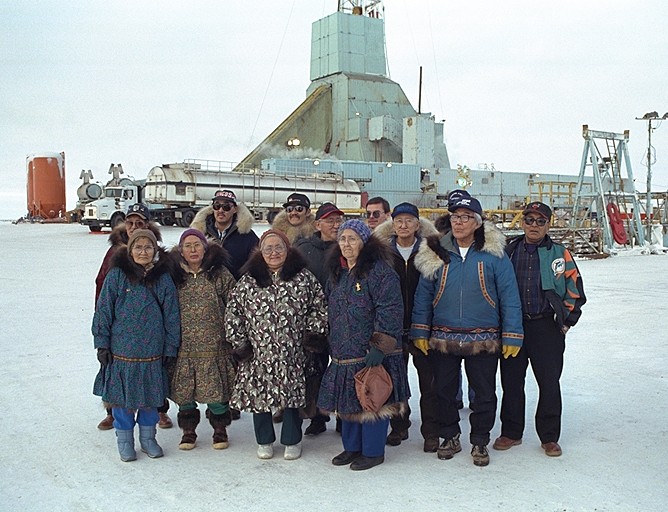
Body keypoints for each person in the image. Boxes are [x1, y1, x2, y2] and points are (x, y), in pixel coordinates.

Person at [411, 195, 523, 467]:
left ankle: (480, 441)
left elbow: (509, 295)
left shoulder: (494, 253)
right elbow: (424, 295)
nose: (458, 222)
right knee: (444, 392)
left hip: (483, 338)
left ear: (477, 222)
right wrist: (419, 331)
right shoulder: (435, 250)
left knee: (484, 393)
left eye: (465, 217)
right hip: (443, 337)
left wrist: (512, 334)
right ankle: (450, 436)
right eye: (454, 217)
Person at [225, 230, 328, 461]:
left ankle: (292, 440)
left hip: (293, 352)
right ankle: (264, 440)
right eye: (268, 248)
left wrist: (313, 335)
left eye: (278, 247)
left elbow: (318, 307)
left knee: (292, 397)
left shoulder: (304, 278)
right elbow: (234, 313)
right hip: (259, 353)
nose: (274, 253)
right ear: (260, 252)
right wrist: (240, 343)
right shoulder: (248, 280)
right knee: (259, 398)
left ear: (288, 249)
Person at [493, 201, 586, 457]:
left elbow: (575, 289)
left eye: (540, 221)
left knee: (549, 383)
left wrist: (566, 321)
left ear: (548, 224)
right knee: (511, 381)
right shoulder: (508, 251)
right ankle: (511, 432)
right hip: (513, 326)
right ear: (522, 222)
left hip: (546, 326)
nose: (534, 225)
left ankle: (549, 436)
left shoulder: (559, 253)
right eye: (529, 220)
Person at [318, 219, 410, 471]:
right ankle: (352, 448)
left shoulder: (380, 271)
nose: (346, 244)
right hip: (343, 351)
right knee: (349, 400)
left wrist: (380, 347)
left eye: (353, 239)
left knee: (372, 400)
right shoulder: (337, 273)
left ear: (364, 241)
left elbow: (390, 309)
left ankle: (372, 451)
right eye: (343, 239)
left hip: (371, 352)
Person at [92, 229, 181, 462]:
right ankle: (124, 441)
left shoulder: (162, 278)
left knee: (150, 401)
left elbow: (172, 315)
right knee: (122, 401)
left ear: (155, 251)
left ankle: (148, 439)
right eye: (138, 247)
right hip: (122, 353)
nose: (143, 252)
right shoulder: (117, 276)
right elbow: (104, 311)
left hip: (152, 353)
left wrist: (170, 348)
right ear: (130, 250)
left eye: (148, 247)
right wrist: (102, 343)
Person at [374, 202, 440, 451]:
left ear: (417, 224)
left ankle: (431, 431)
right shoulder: (382, 251)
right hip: (392, 326)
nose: (403, 225)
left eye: (408, 221)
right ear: (392, 224)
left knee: (429, 381)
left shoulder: (429, 250)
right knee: (394, 379)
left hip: (423, 324)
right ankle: (398, 426)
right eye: (398, 220)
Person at [168, 228, 237, 450]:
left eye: (197, 245)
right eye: (187, 246)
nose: (192, 250)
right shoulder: (173, 275)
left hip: (215, 343)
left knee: (217, 392)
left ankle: (220, 430)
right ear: (181, 250)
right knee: (184, 392)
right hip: (184, 346)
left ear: (205, 248)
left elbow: (235, 304)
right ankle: (188, 432)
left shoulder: (219, 274)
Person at [294, 202, 344, 436]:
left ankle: (345, 414)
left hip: (343, 319)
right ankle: (317, 416)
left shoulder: (349, 245)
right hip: (312, 318)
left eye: (338, 220)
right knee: (315, 368)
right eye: (330, 221)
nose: (336, 225)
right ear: (318, 224)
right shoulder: (304, 248)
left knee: (345, 367)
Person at [191, 189, 260, 280]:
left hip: (237, 288)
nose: (221, 210)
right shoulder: (200, 234)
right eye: (217, 206)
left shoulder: (248, 235)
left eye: (226, 207)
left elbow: (257, 265)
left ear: (235, 209)